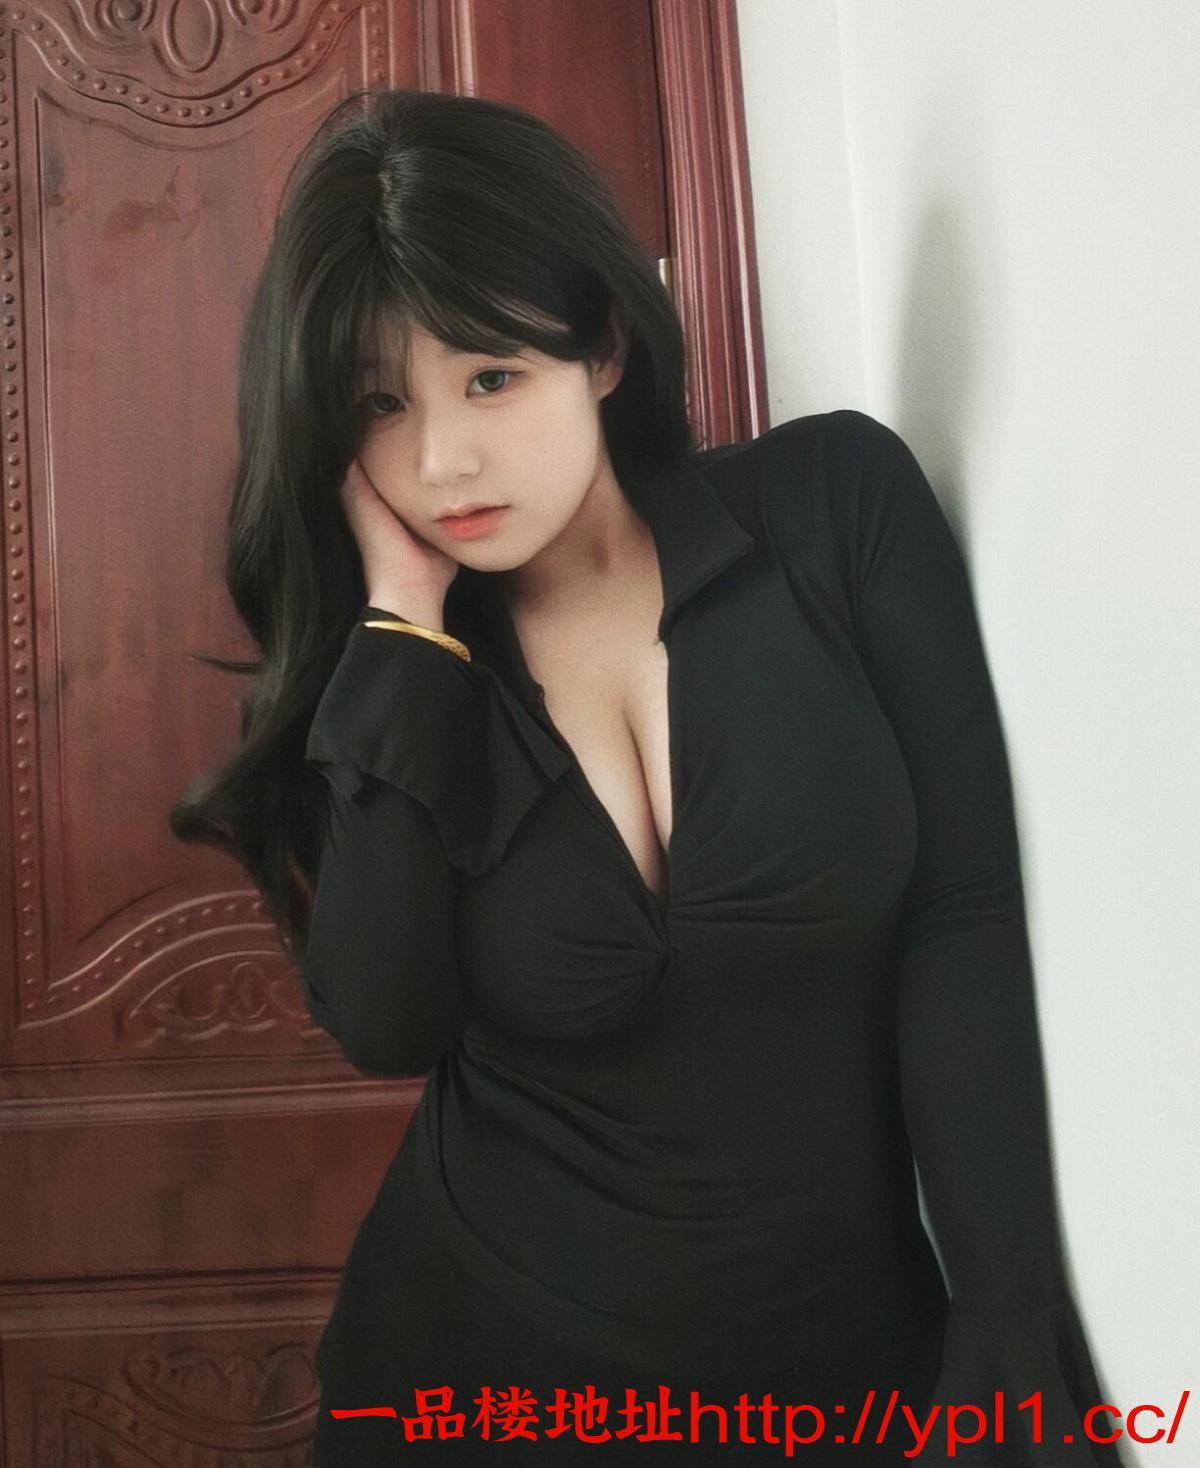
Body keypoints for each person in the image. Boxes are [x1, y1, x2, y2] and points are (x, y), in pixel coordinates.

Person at [170, 88, 1128, 1465]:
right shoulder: (401, 684)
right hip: (473, 1387)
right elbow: (387, 1022)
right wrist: (404, 622)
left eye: (491, 377)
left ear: (605, 344)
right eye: (380, 404)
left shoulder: (835, 512)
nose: (440, 460)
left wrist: (1006, 1311)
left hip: (841, 1388)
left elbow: (962, 914)